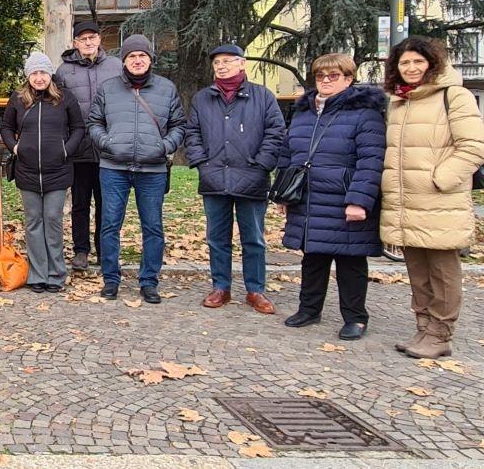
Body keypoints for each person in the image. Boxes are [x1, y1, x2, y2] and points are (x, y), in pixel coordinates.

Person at [380, 37, 484, 358]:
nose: (411, 68)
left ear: (432, 63)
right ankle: (423, 327)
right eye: (404, 63)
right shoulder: (400, 101)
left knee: (442, 270)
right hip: (406, 202)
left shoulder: (455, 96)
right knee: (418, 270)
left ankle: (440, 334)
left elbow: (473, 146)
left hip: (439, 200)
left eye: (418, 62)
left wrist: (440, 180)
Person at [275, 53, 386, 341]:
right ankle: (309, 309)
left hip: (344, 198)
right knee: (313, 257)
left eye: (333, 76)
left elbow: (371, 160)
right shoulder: (303, 113)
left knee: (350, 261)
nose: (325, 81)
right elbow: (288, 154)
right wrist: (283, 194)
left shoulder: (365, 114)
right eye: (321, 76)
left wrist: (359, 200)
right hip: (309, 198)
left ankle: (355, 317)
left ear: (348, 79)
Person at [183, 45, 285, 314]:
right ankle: (221, 287)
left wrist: (262, 164)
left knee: (253, 238)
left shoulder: (262, 96)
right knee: (217, 238)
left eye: (227, 61)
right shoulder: (203, 98)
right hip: (214, 178)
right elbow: (191, 132)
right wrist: (201, 163)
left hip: (252, 177)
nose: (221, 66)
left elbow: (276, 133)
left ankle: (255, 290)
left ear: (242, 64)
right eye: (217, 62)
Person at [86, 34, 185, 303]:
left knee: (152, 226)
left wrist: (164, 146)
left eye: (142, 56)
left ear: (150, 59)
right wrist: (108, 144)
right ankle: (111, 279)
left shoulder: (166, 88)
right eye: (132, 56)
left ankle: (149, 281)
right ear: (124, 61)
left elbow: (179, 126)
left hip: (152, 170)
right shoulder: (108, 88)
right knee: (109, 225)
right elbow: (94, 123)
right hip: (113, 167)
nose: (137, 60)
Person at [1, 52, 86, 292]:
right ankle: (38, 274)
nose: (39, 78)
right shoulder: (18, 99)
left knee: (52, 220)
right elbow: (6, 127)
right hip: (27, 172)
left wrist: (66, 150)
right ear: (28, 76)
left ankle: (56, 273)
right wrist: (15, 147)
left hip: (57, 171)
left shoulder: (65, 98)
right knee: (33, 222)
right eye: (34, 73)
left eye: (43, 73)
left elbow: (78, 128)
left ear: (50, 75)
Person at [56, 20, 121, 271]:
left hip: (108, 147)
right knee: (80, 203)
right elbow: (58, 107)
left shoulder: (115, 67)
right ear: (75, 43)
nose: (88, 42)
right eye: (83, 39)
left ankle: (105, 250)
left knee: (107, 203)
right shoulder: (64, 71)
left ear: (99, 40)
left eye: (92, 37)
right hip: (79, 148)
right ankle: (81, 250)